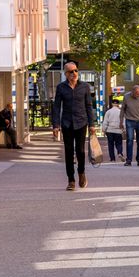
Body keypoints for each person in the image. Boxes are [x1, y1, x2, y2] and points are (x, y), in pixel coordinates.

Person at [50, 62, 95, 190]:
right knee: (69, 152)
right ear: (66, 74)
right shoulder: (61, 88)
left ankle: (81, 173)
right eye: (71, 71)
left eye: (75, 70)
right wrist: (56, 125)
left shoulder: (85, 87)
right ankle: (71, 180)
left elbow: (88, 106)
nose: (74, 73)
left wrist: (92, 124)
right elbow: (57, 107)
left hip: (81, 122)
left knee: (80, 151)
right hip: (67, 123)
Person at [121, 84, 139, 167]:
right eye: (136, 93)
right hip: (130, 120)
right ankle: (128, 160)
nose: (138, 95)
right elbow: (122, 109)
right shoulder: (126, 97)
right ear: (132, 91)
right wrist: (121, 121)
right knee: (129, 140)